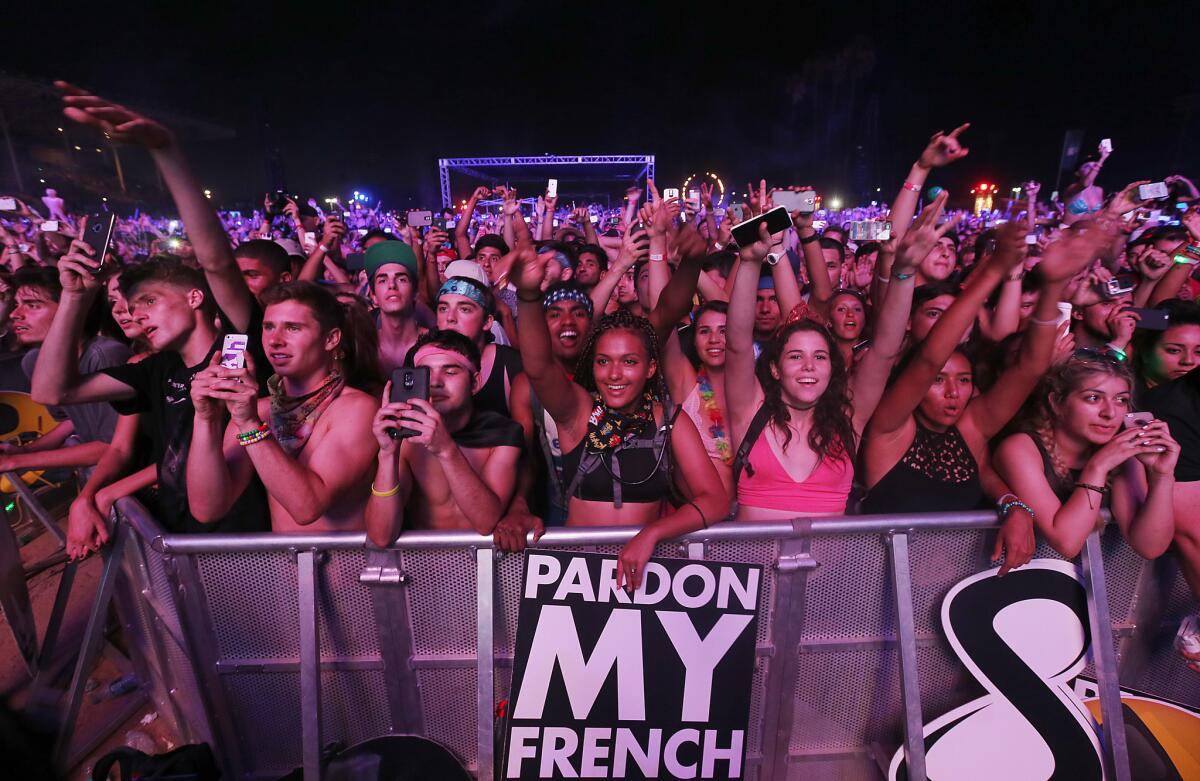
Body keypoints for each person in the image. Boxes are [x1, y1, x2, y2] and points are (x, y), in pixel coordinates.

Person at [511, 235, 727, 588]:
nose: (614, 374)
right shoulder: (578, 412)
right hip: (576, 579)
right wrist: (530, 296)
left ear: (650, 369)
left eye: (629, 362)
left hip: (644, 577)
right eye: (603, 362)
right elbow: (538, 368)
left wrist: (651, 534)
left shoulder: (668, 420)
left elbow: (715, 501)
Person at [724, 196, 940, 521]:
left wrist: (905, 273)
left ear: (831, 368)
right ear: (774, 368)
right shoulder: (750, 412)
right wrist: (752, 262)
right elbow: (738, 343)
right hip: (751, 570)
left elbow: (884, 352)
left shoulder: (848, 418)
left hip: (830, 573)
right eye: (796, 356)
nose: (809, 366)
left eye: (820, 357)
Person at [186, 282, 381, 532]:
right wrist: (206, 419)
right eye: (268, 327)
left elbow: (307, 507)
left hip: (349, 569)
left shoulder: (357, 408)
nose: (275, 340)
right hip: (286, 569)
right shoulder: (258, 410)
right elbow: (208, 509)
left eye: (292, 328)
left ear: (331, 339)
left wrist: (249, 424)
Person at [994, 356, 1179, 561]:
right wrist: (1098, 466)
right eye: (1093, 398)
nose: (1110, 413)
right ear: (1057, 403)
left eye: (1121, 400)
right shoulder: (1019, 448)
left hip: (1081, 585)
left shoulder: (1121, 454)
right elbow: (1067, 543)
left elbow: (1150, 547)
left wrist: (1162, 475)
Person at [365, 330, 523, 544]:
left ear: (475, 383)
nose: (436, 382)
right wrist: (387, 453)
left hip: (486, 561)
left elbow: (485, 521)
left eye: (450, 372)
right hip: (425, 564)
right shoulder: (407, 441)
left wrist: (445, 449)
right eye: (426, 373)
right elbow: (381, 536)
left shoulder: (503, 433)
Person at [0, 265, 128, 475]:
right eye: (16, 304)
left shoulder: (104, 356)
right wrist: (25, 450)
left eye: (32, 305)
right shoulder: (34, 361)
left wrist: (15, 462)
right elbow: (72, 420)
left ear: (69, 310)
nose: (15, 314)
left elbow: (113, 446)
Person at [433, 266, 523, 417]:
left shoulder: (510, 363)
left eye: (464, 309)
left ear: (487, 322)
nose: (450, 317)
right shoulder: (419, 358)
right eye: (443, 308)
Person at [365, 240, 426, 374]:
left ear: (415, 292)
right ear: (373, 295)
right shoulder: (363, 346)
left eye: (401, 279)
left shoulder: (434, 342)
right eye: (382, 280)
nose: (392, 285)